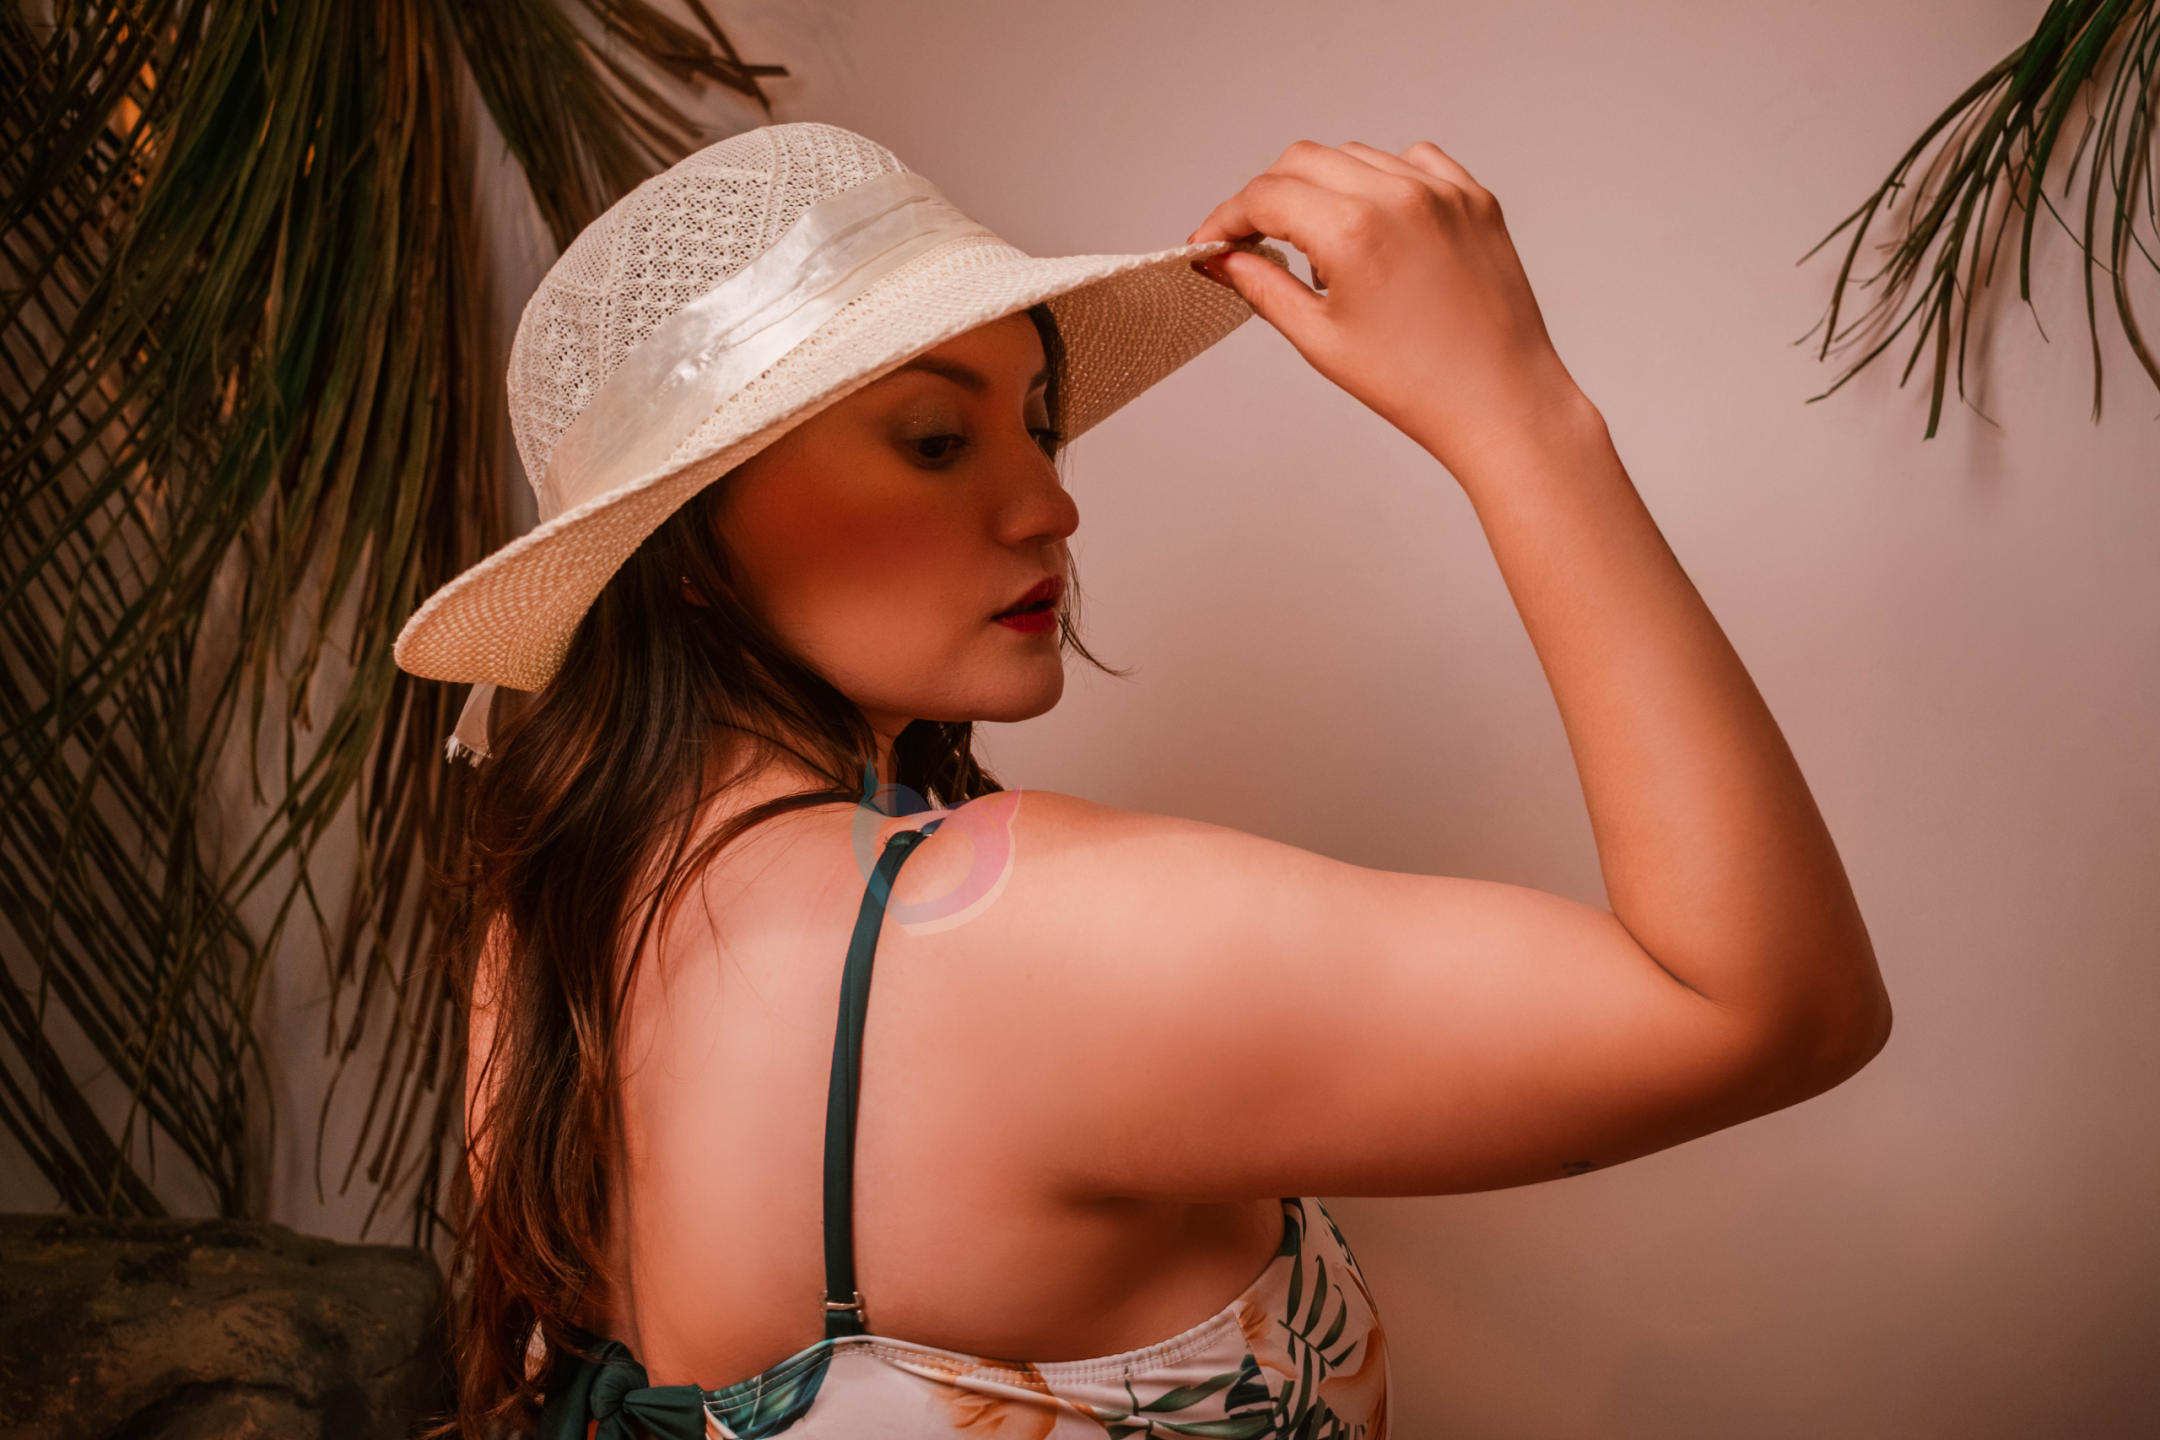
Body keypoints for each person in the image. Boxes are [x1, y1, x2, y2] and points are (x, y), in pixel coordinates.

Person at [403, 123, 1891, 1440]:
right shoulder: (998, 937)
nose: (1050, 502)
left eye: (1037, 423)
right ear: (680, 550)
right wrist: (1520, 416)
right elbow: (1769, 1011)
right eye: (935, 439)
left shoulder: (541, 943)